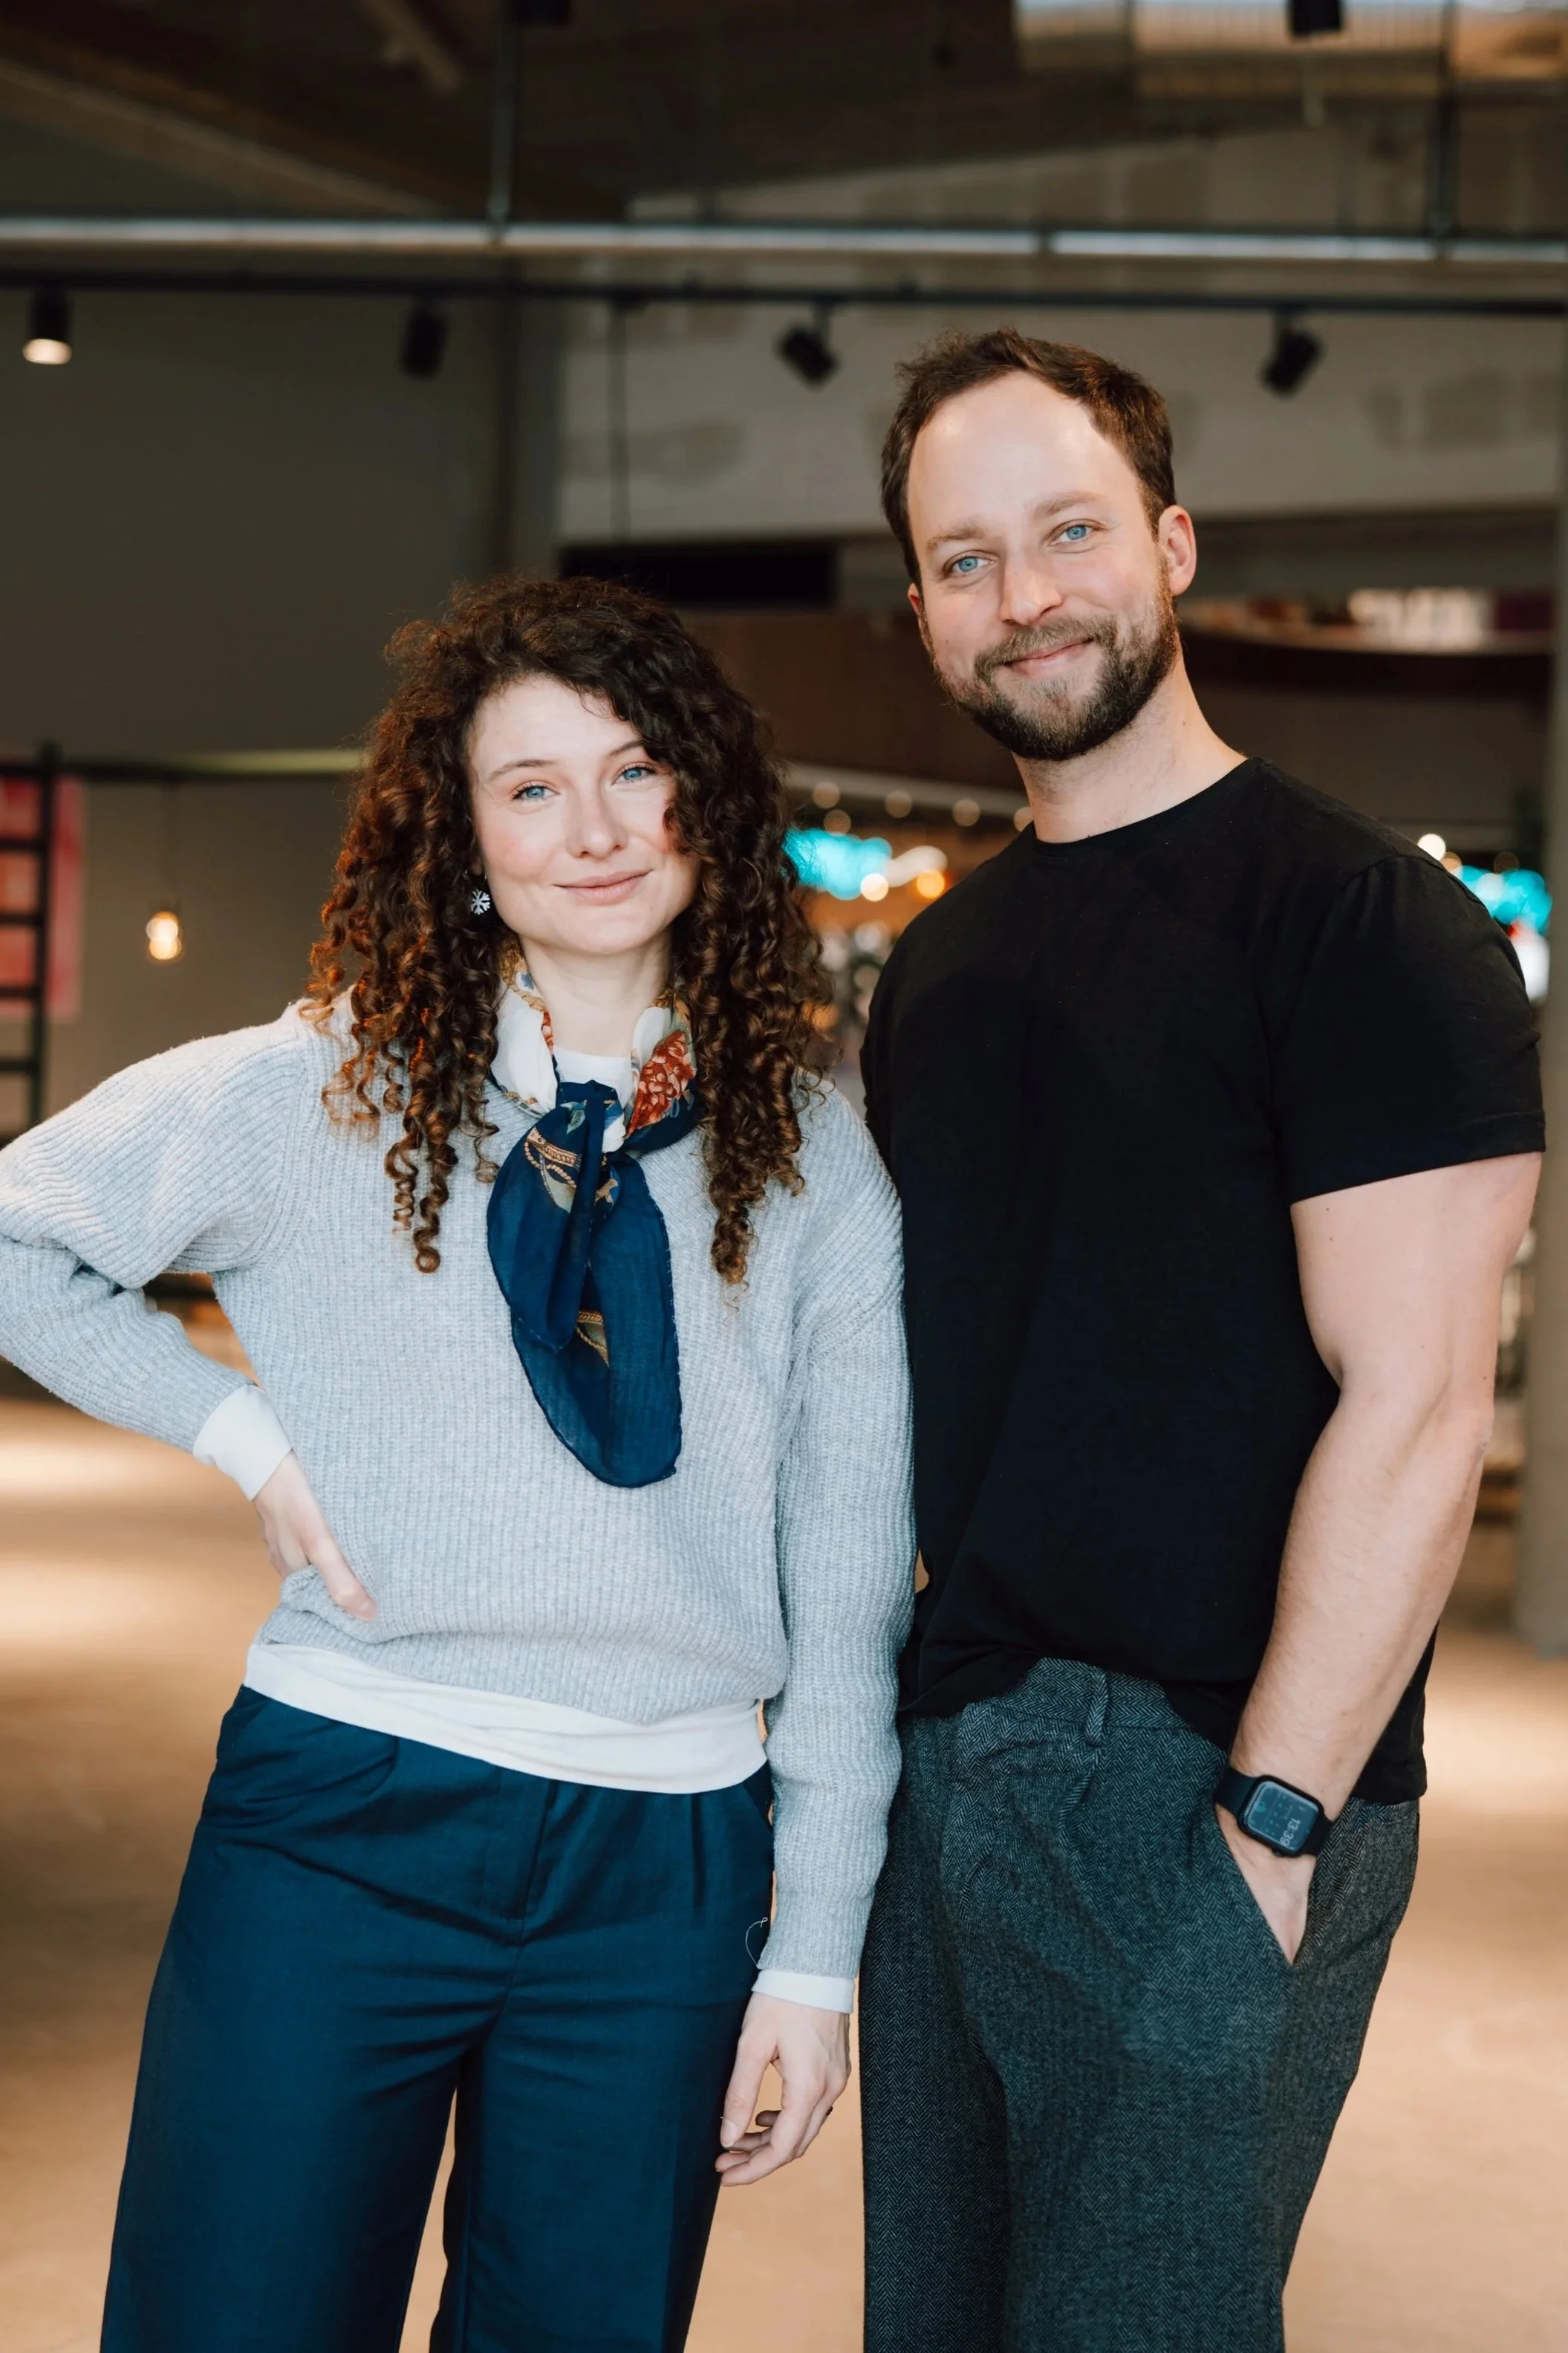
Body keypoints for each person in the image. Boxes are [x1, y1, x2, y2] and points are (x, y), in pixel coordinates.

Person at [0, 576, 914, 2353]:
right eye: (529, 786)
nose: (591, 828)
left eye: (634, 770)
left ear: (702, 805)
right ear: (462, 835)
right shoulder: (325, 1086)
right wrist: (235, 1426)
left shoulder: (812, 1161)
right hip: (344, 1815)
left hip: (670, 1869)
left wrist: (811, 1953)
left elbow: (850, 1582)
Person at [856, 327, 1542, 2353]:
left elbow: (1417, 1406)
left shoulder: (1357, 924)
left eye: (1065, 531)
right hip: (950, 1760)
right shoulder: (941, 959)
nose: (1022, 593)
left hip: (1206, 1771)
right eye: (962, 558)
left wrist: (1267, 1829)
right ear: (918, 611)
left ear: (1166, 544)